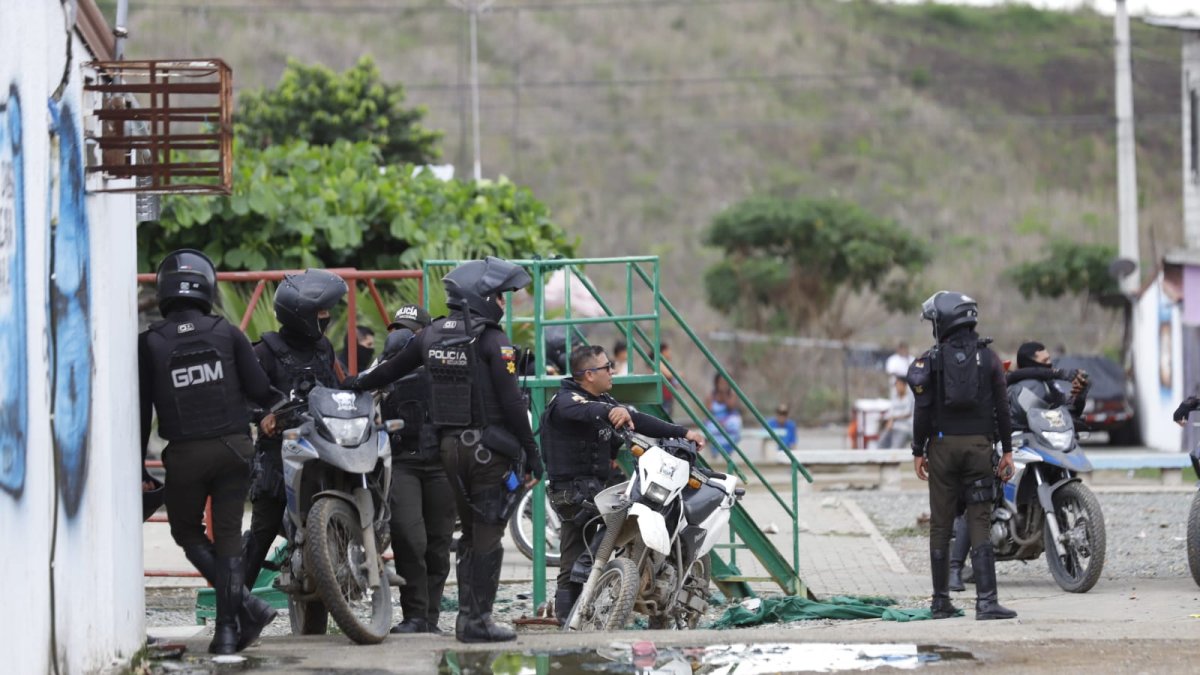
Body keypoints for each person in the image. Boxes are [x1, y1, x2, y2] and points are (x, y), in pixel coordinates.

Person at [347, 257, 544, 644]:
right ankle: (477, 620)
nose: (503, 304)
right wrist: (532, 453)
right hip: (487, 451)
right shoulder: (491, 340)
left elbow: (387, 371)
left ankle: (467, 620)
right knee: (487, 534)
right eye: (500, 297)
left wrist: (351, 384)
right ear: (481, 297)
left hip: (448, 451)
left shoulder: (431, 335)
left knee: (470, 533)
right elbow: (511, 403)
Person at [138, 249, 281, 654]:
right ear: (207, 287)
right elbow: (259, 390)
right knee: (231, 540)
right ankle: (227, 634)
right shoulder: (228, 332)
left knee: (186, 532)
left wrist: (137, 465)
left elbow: (141, 408)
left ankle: (246, 606)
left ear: (165, 290)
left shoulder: (149, 343)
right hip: (235, 449)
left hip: (185, 455)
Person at [541, 344, 706, 624]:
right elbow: (579, 411)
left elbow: (639, 420)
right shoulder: (565, 400)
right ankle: (568, 620)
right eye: (607, 367)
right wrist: (608, 413)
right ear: (589, 374)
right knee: (576, 561)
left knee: (590, 548)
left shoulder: (605, 400)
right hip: (574, 495)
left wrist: (684, 433)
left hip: (598, 490)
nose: (612, 371)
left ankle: (630, 588)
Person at [907, 290, 1017, 621]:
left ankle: (941, 602)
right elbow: (1003, 408)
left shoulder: (931, 359)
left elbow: (922, 410)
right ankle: (987, 602)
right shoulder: (991, 359)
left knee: (941, 524)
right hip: (979, 448)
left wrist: (917, 450)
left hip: (941, 448)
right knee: (979, 519)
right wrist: (1007, 451)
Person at [241, 269, 347, 593]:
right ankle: (235, 605)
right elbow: (244, 398)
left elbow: (336, 388)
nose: (326, 318)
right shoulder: (263, 352)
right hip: (279, 454)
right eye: (321, 312)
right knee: (264, 527)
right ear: (301, 315)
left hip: (324, 447)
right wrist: (263, 416)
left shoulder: (323, 348)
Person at [376, 304, 456, 635]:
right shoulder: (385, 366)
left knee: (438, 543)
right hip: (403, 462)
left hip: (441, 464)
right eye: (397, 329)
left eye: (410, 330)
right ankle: (413, 616)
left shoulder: (447, 365)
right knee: (410, 538)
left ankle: (429, 618)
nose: (402, 335)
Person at [1006, 340, 1090, 430]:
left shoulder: (1050, 384)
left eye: (1049, 359)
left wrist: (1079, 397)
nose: (1050, 363)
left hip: (1051, 440)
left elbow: (1066, 413)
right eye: (1045, 360)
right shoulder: (1019, 388)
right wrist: (1059, 373)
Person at [704, 375, 742, 457]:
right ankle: (715, 449)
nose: (723, 384)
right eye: (721, 382)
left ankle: (728, 448)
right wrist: (718, 422)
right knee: (710, 426)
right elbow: (708, 412)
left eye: (725, 382)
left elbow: (731, 407)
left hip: (728, 421)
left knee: (735, 422)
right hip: (715, 421)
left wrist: (724, 394)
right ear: (716, 383)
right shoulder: (711, 396)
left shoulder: (732, 394)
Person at [879, 377, 915, 450]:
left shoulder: (911, 396)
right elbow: (891, 412)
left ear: (904, 385)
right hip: (893, 426)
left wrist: (893, 418)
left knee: (895, 449)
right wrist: (889, 419)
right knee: (881, 444)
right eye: (896, 385)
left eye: (899, 385)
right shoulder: (894, 396)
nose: (897, 387)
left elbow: (907, 413)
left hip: (906, 427)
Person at [658, 342, 677, 416]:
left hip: (667, 396)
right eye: (668, 351)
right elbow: (669, 375)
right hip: (663, 396)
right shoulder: (659, 363)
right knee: (665, 416)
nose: (670, 353)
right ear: (663, 351)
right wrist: (678, 374)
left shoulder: (665, 363)